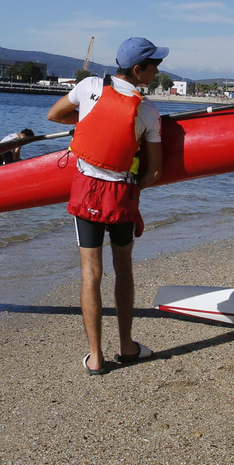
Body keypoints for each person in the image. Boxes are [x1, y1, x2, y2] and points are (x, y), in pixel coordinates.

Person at [46, 37, 166, 375]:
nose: (158, 70)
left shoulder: (88, 87)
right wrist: (133, 191)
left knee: (90, 273)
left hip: (86, 191)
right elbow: (154, 171)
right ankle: (127, 346)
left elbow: (54, 114)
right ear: (139, 69)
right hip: (121, 195)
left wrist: (87, 124)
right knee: (123, 268)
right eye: (155, 64)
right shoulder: (147, 110)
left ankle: (96, 357)